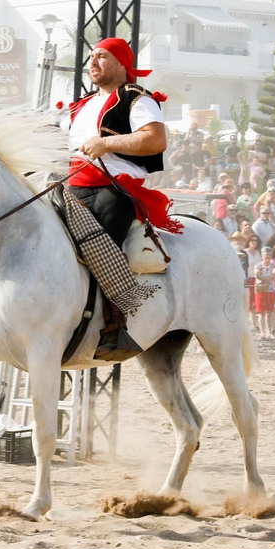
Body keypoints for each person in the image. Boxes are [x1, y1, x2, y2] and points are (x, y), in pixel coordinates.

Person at [60, 37, 174, 357]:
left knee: (99, 243)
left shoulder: (136, 98)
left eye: (102, 56)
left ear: (122, 64)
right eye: (91, 57)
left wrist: (105, 144)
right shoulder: (81, 105)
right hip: (74, 186)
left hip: (115, 188)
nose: (93, 62)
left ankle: (116, 324)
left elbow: (155, 139)